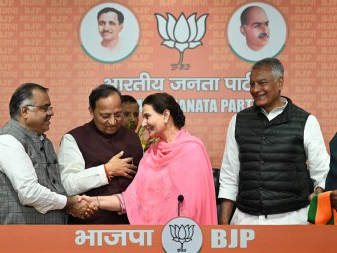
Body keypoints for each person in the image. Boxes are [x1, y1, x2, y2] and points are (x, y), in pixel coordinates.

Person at [218, 58, 330, 225]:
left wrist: (318, 194)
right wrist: (224, 224)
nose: (255, 89)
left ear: (280, 83)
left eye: (262, 83)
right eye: (251, 84)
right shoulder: (238, 121)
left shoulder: (306, 121)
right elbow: (229, 175)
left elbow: (321, 172)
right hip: (246, 220)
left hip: (293, 221)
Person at [79, 93, 218, 225]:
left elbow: (197, 206)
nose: (143, 123)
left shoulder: (192, 149)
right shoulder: (151, 154)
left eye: (147, 116)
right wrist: (94, 201)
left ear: (166, 115)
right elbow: (131, 200)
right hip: (152, 240)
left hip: (185, 238)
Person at [0, 83, 95, 224]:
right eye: (44, 108)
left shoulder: (42, 141)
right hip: (13, 240)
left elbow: (53, 188)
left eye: (50, 108)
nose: (51, 113)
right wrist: (68, 203)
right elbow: (29, 193)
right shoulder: (7, 142)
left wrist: (69, 205)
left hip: (43, 237)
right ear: (24, 111)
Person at [58, 84, 143, 224]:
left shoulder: (133, 138)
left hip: (133, 225)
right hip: (91, 228)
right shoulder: (74, 138)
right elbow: (67, 184)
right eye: (105, 116)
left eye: (118, 114)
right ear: (91, 111)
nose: (113, 121)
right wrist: (106, 171)